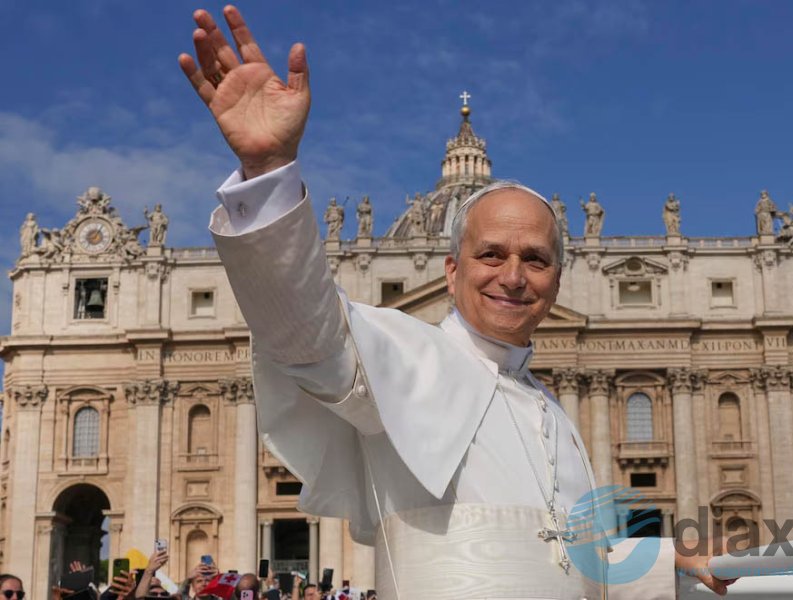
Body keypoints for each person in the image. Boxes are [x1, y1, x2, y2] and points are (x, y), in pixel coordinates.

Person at [178, 6, 734, 599]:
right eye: (492, 255)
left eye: (536, 259)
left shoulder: (556, 417)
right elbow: (304, 329)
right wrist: (267, 171)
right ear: (450, 270)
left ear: (558, 279)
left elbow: (566, 558)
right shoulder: (403, 355)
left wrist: (670, 556)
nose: (514, 277)